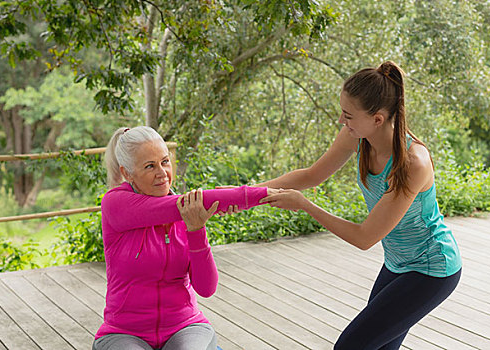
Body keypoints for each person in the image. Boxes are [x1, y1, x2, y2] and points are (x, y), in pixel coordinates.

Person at [258, 61, 462, 349]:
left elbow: (365, 237)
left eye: (348, 115)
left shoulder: (413, 162)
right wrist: (248, 194)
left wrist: (305, 205)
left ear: (377, 119)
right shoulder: (357, 136)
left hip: (431, 269)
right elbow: (311, 175)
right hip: (397, 263)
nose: (342, 121)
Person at [94, 126, 273, 350]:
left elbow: (207, 288)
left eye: (165, 161)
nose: (162, 173)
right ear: (127, 173)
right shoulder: (115, 203)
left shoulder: (186, 213)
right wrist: (263, 195)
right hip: (124, 333)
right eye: (150, 166)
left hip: (184, 326)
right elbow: (196, 202)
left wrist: (196, 230)